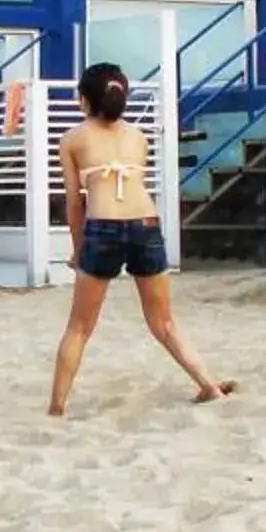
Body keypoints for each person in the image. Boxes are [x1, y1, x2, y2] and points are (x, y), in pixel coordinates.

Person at [46, 62, 234, 417]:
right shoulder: (139, 137)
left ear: (83, 101)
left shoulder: (72, 140)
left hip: (103, 226)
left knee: (79, 327)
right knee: (164, 322)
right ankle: (208, 386)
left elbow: (75, 203)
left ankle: (57, 407)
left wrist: (78, 248)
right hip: (146, 224)